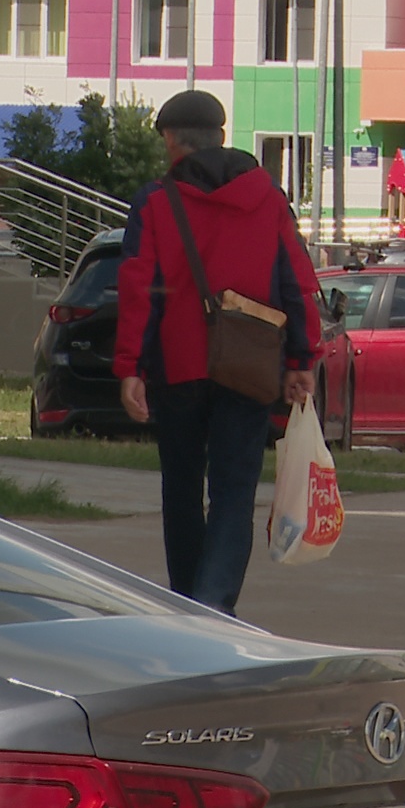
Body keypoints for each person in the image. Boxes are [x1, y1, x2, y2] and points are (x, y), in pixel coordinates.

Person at [112, 89, 322, 616]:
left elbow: (140, 288)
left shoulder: (156, 202)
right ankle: (214, 603)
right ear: (222, 137)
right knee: (233, 493)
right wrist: (300, 359)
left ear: (171, 141)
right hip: (249, 367)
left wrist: (131, 368)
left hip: (178, 367)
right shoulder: (269, 199)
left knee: (181, 488)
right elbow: (295, 280)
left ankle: (187, 601)